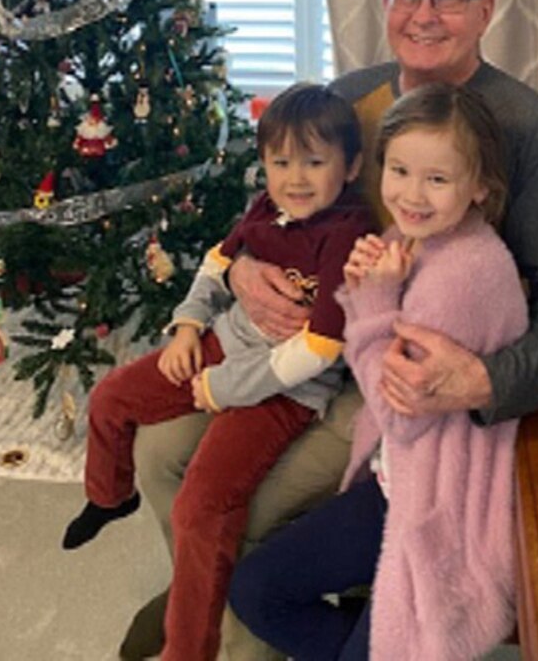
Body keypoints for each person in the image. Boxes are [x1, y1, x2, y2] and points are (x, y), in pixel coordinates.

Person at [122, 0, 538, 660]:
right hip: (289, 337)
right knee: (156, 450)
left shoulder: (520, 124)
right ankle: (198, 596)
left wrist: (487, 378)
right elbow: (274, 201)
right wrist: (244, 270)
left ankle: (231, 639)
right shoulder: (349, 96)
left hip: (382, 377)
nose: (423, 14)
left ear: (485, 10)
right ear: (384, 2)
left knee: (252, 506)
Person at [63, 82, 373, 661]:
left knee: (203, 504)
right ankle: (109, 498)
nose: (296, 178)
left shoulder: (347, 233)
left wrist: (224, 387)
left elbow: (321, 349)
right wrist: (186, 326)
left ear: (351, 166)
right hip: (220, 347)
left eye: (314, 162)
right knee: (111, 399)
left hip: (287, 391)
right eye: (280, 162)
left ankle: (189, 647)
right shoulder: (267, 208)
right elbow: (218, 260)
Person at [230, 83, 529, 659]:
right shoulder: (416, 236)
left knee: (280, 598)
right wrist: (367, 285)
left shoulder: (463, 277)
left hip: (437, 501)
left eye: (437, 179)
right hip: (399, 478)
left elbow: (400, 412)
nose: (412, 195)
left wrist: (372, 301)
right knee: (256, 589)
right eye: (399, 171)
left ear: (479, 187)